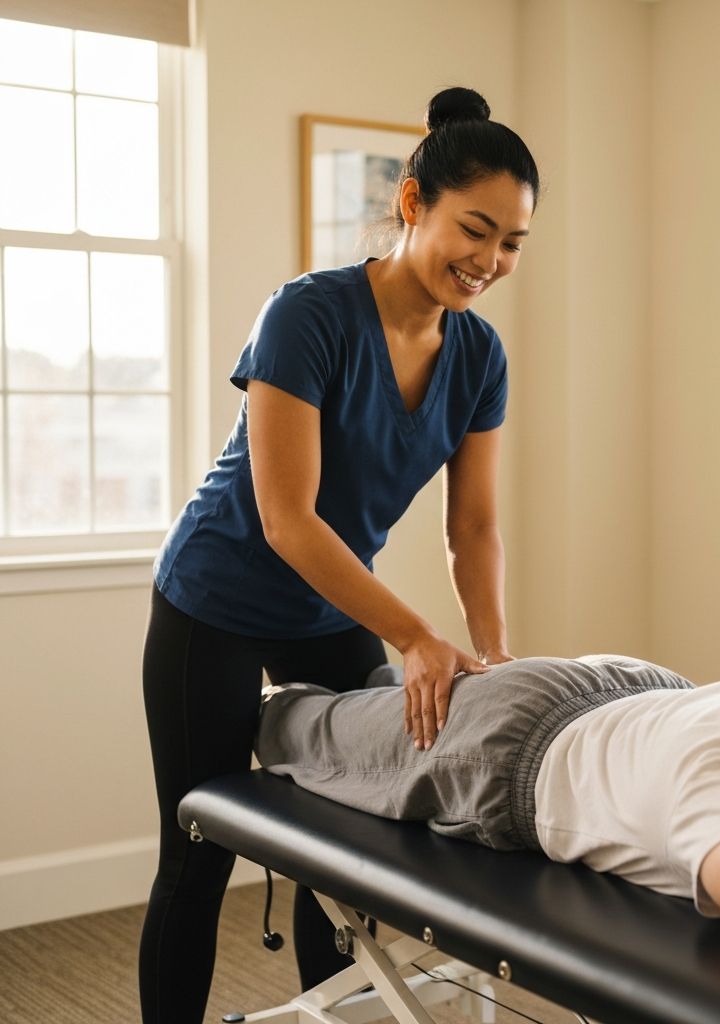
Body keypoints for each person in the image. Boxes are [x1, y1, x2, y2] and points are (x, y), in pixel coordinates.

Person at [139, 86, 540, 1024]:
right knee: (198, 855)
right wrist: (415, 636)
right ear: (413, 204)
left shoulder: (479, 359)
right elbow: (287, 518)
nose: (487, 261)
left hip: (329, 612)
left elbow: (472, 527)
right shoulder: (308, 316)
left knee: (346, 852)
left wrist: (488, 650)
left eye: (512, 243)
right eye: (473, 230)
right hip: (216, 600)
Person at [255, 637, 720, 965]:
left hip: (644, 699)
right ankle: (305, 703)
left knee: (377, 706)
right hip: (506, 745)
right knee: (291, 725)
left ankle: (379, 698)